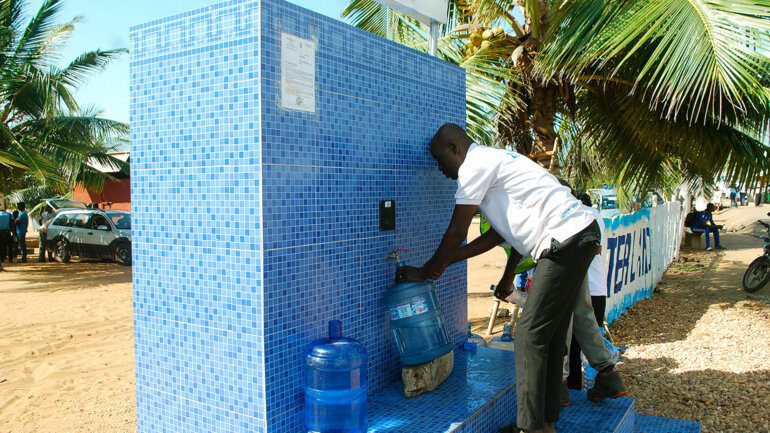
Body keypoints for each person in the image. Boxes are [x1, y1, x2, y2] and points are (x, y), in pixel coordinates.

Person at [397, 124, 601, 433]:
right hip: (578, 236)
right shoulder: (495, 162)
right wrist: (448, 261)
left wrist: (426, 272)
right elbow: (495, 236)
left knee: (530, 335)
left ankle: (530, 428)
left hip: (565, 241)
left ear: (455, 149)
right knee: (551, 334)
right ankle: (545, 424)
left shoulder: (474, 166)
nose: (440, 169)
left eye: (440, 160)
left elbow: (456, 231)